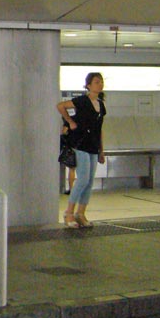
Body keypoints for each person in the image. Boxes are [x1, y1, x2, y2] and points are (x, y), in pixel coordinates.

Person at [57, 72, 106, 229]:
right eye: (96, 82)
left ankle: (81, 213)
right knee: (83, 179)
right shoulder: (82, 101)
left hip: (93, 145)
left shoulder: (101, 105)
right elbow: (61, 106)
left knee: (89, 181)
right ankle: (69, 212)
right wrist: (70, 121)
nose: (100, 84)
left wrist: (101, 150)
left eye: (101, 81)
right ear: (89, 85)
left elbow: (100, 130)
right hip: (80, 143)